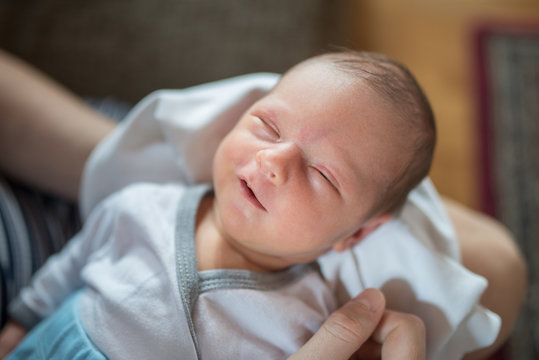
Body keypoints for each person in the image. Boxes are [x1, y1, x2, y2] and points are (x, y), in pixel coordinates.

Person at [0, 49, 526, 359]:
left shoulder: (312, 319)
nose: (274, 159)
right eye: (266, 125)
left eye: (322, 173)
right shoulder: (143, 202)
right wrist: (21, 323)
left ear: (356, 235)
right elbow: (70, 266)